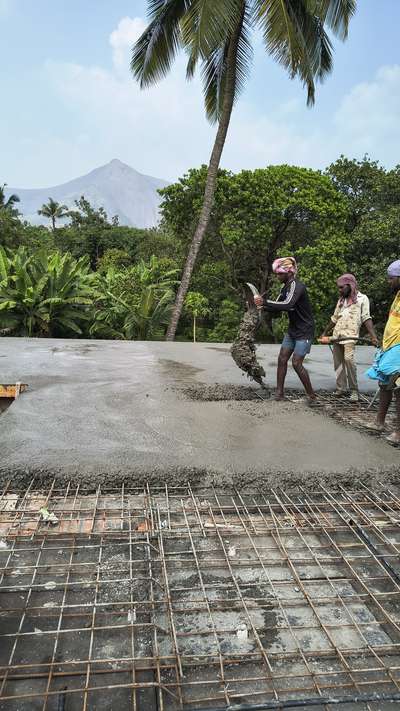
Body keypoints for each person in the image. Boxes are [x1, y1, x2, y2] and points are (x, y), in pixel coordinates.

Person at [254, 256, 316, 404]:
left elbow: (288, 304)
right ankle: (279, 394)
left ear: (289, 272)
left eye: (280, 274)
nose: (277, 276)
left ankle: (312, 396)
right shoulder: (285, 288)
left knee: (296, 363)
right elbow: (277, 307)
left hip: (305, 330)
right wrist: (261, 306)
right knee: (282, 359)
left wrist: (265, 302)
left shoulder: (296, 286)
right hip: (293, 329)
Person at [320, 274, 378, 402]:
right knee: (338, 363)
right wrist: (324, 333)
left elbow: (366, 318)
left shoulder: (362, 299)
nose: (339, 290)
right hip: (337, 336)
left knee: (348, 360)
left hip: (350, 336)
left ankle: (354, 390)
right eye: (338, 288)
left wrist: (373, 337)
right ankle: (341, 388)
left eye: (341, 287)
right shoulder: (341, 300)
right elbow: (334, 318)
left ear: (349, 285)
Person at [366, 260, 400, 444]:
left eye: (391, 278)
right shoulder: (397, 296)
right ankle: (379, 422)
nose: (389, 281)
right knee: (384, 384)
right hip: (389, 346)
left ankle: (399, 432)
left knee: (399, 388)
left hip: (398, 348)